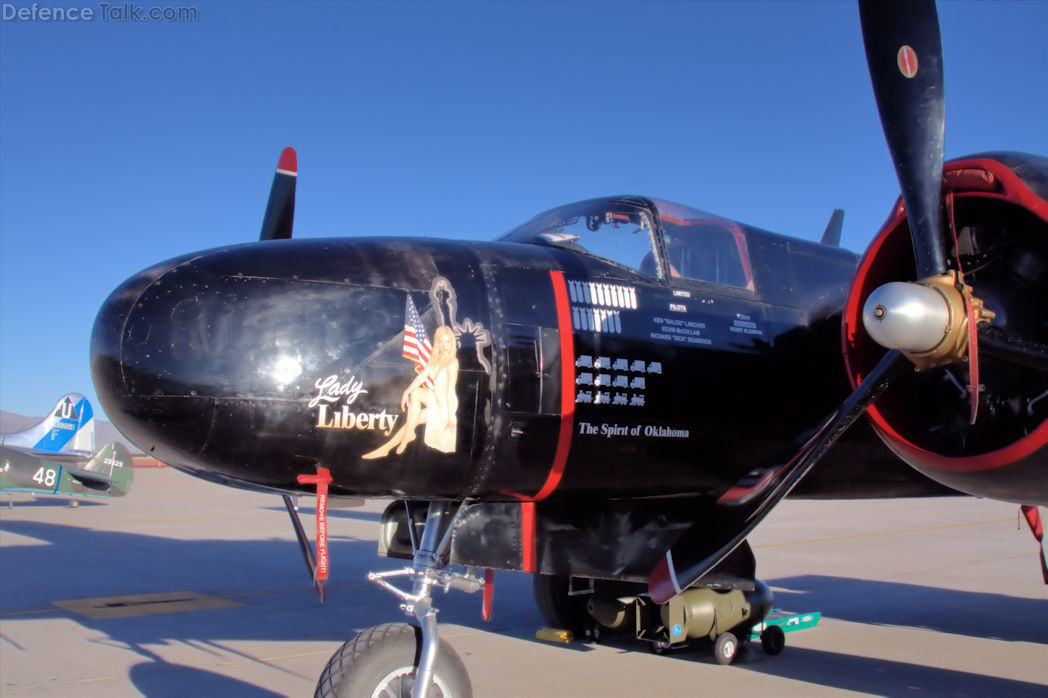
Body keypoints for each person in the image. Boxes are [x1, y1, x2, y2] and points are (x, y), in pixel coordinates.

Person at [362, 325, 459, 459]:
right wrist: (406, 392)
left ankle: (390, 445)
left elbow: (450, 390)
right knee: (414, 395)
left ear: (452, 343)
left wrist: (450, 417)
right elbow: (422, 376)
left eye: (448, 341)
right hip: (434, 397)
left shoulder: (452, 362)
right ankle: (394, 444)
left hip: (445, 404)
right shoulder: (435, 358)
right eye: (442, 341)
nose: (444, 345)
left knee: (412, 416)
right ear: (438, 342)